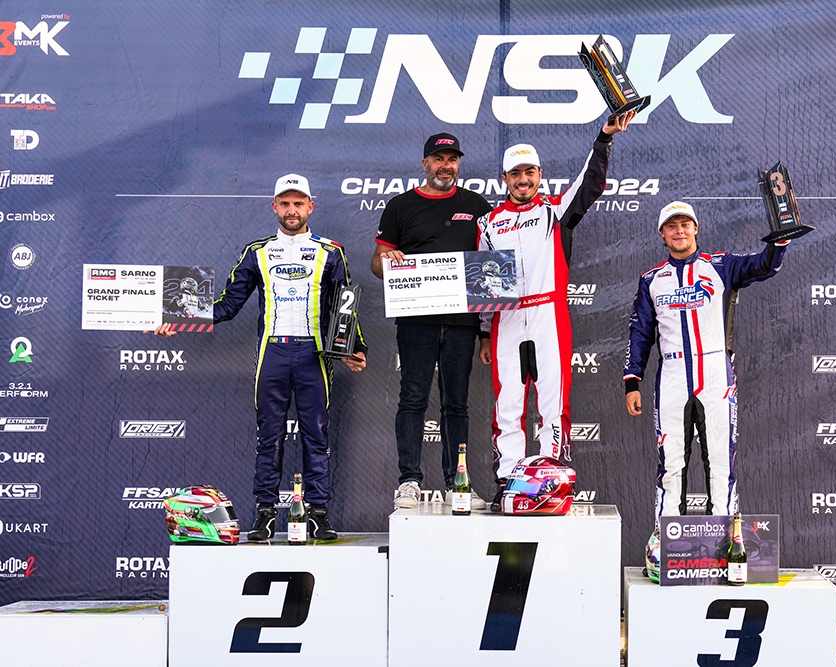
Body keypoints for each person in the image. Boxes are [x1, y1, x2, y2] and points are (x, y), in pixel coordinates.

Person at [156, 173, 366, 541]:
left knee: (316, 436)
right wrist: (180, 317)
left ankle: (318, 515)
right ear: (274, 207)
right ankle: (265, 514)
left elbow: (343, 304)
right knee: (269, 437)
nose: (291, 210)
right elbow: (228, 304)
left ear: (310, 206)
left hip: (315, 354)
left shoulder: (331, 251)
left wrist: (354, 348)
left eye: (298, 203)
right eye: (285, 203)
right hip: (273, 352)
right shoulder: (257, 251)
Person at [477, 111, 636, 510]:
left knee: (552, 401)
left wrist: (604, 138)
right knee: (508, 403)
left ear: (539, 175)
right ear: (504, 178)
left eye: (529, 172)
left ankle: (553, 478)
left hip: (549, 312)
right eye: (516, 174)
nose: (523, 180)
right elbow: (482, 282)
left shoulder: (554, 211)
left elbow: (590, 183)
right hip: (506, 318)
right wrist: (483, 331)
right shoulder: (488, 224)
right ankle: (507, 480)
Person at [623, 200, 788, 525]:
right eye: (672, 226)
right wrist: (632, 381)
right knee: (671, 465)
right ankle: (666, 542)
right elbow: (640, 332)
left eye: (685, 224)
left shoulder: (721, 266)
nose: (679, 231)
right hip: (672, 374)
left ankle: (726, 541)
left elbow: (764, 265)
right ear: (662, 234)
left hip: (715, 373)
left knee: (721, 462)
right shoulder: (651, 280)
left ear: (695, 228)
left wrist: (779, 241)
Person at [371, 133, 493, 510]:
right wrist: (388, 262)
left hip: (462, 323)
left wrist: (486, 333)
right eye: (438, 159)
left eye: (452, 159)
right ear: (425, 163)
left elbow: (491, 265)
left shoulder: (477, 205)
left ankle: (458, 483)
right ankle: (409, 481)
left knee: (457, 405)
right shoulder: (400, 206)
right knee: (413, 399)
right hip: (416, 320)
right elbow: (377, 262)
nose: (446, 166)